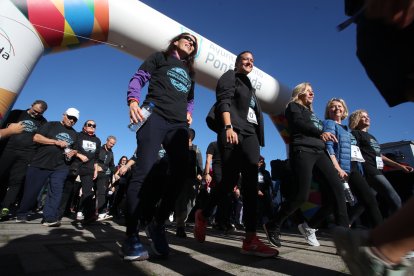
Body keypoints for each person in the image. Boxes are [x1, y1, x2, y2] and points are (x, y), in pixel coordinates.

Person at [193, 51, 278, 257]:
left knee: (250, 184)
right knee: (229, 180)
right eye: (245, 59)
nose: (249, 62)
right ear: (237, 62)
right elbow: (224, 100)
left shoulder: (250, 87)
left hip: (251, 136)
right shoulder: (230, 76)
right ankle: (203, 214)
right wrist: (228, 126)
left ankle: (250, 239)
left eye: (252, 61)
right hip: (233, 131)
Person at [121, 32, 197, 261]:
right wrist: (133, 100)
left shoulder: (190, 73)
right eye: (187, 39)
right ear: (175, 41)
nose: (191, 43)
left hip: (178, 125)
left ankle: (157, 223)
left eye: (194, 43)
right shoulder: (159, 58)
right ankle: (131, 236)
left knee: (182, 174)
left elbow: (191, 99)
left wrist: (189, 113)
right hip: (154, 115)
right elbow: (139, 77)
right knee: (143, 172)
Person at [263, 82, 349, 248]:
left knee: (337, 191)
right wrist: (321, 132)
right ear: (300, 93)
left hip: (320, 153)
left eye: (313, 92)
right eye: (308, 91)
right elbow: (298, 124)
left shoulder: (313, 115)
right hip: (303, 151)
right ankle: (273, 224)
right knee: (301, 195)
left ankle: (344, 240)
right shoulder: (293, 107)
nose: (312, 94)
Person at [15, 107, 79, 226]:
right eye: (70, 117)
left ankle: (49, 218)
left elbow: (75, 149)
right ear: (64, 115)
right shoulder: (50, 125)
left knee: (56, 191)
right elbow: (36, 138)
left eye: (75, 120)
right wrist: (55, 142)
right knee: (32, 191)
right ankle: (22, 213)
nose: (72, 121)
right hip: (41, 163)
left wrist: (73, 152)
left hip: (61, 166)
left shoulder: (74, 134)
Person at [349, 109, 413, 217]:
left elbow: (379, 155)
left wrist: (400, 166)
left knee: (367, 200)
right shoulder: (355, 134)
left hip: (378, 169)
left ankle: (346, 223)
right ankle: (396, 228)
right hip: (368, 169)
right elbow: (352, 152)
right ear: (356, 120)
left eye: (367, 116)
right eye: (363, 117)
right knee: (395, 198)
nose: (367, 118)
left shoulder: (372, 137)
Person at [0, 100, 47, 219]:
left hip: (27, 154)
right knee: (2, 176)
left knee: (16, 180)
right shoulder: (16, 113)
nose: (36, 114)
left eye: (39, 113)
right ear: (30, 105)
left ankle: (5, 207)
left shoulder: (43, 122)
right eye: (34, 111)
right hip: (8, 149)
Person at [58, 120, 101, 222]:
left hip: (89, 169)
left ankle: (88, 216)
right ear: (84, 127)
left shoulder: (98, 140)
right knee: (68, 190)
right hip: (75, 166)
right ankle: (58, 214)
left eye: (94, 125)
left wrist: (95, 170)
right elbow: (68, 149)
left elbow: (96, 157)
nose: (92, 126)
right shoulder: (77, 135)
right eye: (89, 125)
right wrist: (79, 155)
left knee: (87, 193)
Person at [174, 128, 203, 238]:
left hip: (192, 179)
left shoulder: (196, 149)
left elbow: (199, 163)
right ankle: (180, 225)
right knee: (180, 201)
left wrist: (200, 173)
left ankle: (181, 220)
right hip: (180, 177)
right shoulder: (178, 147)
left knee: (192, 202)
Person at [94, 135, 116, 222]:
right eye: (111, 143)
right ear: (107, 141)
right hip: (94, 172)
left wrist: (115, 173)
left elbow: (112, 166)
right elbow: (93, 159)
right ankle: (84, 212)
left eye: (113, 144)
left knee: (102, 193)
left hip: (104, 176)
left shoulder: (111, 153)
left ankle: (102, 213)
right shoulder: (99, 149)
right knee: (90, 193)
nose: (111, 145)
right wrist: (96, 167)